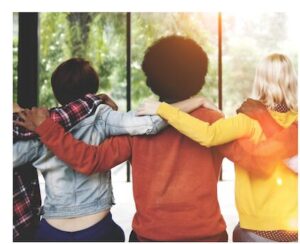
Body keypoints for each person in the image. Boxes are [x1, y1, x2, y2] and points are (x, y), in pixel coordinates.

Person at [17, 37, 296, 242]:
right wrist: (273, 120)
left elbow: (90, 160)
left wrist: (48, 128)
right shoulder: (214, 122)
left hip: (151, 237)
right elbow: (260, 160)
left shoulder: (137, 127)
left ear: (152, 81)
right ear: (199, 77)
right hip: (208, 236)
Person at [135, 53, 298, 241]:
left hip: (258, 228)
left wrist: (162, 109)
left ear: (260, 81)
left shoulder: (247, 122)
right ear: (291, 80)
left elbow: (208, 134)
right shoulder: (297, 123)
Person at [13, 58, 175, 241]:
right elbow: (149, 124)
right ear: (94, 88)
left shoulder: (40, 126)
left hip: (50, 231)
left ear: (57, 93)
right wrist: (188, 105)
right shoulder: (102, 115)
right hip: (97, 229)